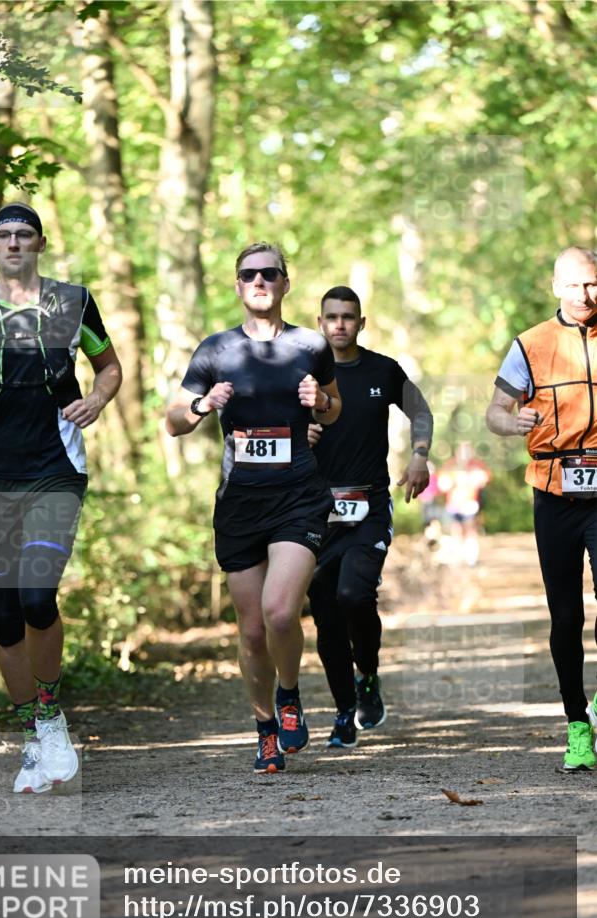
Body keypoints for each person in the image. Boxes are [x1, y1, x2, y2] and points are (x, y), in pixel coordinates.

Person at [0, 203, 122, 793]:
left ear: (40, 243)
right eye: (3, 235)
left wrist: (96, 401)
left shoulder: (72, 302)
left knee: (38, 596)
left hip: (54, 467)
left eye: (24, 234)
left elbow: (110, 366)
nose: (13, 243)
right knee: (1, 614)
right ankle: (32, 737)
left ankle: (51, 711)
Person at [166, 242, 341, 774]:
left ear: (286, 283)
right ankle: (264, 724)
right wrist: (201, 404)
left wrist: (322, 403)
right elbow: (173, 419)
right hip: (240, 502)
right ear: (238, 286)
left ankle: (289, 694)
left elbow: (334, 411)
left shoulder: (310, 346)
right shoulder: (216, 350)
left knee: (282, 610)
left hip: (298, 496)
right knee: (252, 630)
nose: (260, 280)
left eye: (270, 273)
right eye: (249, 274)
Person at [486, 246, 597, 772]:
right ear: (556, 286)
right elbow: (495, 412)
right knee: (566, 616)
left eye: (594, 284)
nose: (586, 295)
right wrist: (513, 423)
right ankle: (578, 725)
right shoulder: (530, 345)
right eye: (575, 285)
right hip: (553, 491)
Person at [308, 286, 433, 748]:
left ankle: (368, 674)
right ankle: (344, 711)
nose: (340, 324)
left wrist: (420, 455)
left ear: (362, 323)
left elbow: (420, 410)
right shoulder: (303, 373)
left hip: (368, 507)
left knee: (354, 595)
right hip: (314, 512)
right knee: (324, 612)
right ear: (320, 323)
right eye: (332, 317)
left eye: (348, 317)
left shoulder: (383, 369)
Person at [437, 442, 491, 566]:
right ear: (457, 453)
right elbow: (442, 484)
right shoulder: (450, 466)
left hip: (469, 504)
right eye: (462, 451)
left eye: (467, 451)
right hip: (454, 504)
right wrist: (453, 481)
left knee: (470, 529)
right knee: (456, 530)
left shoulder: (476, 465)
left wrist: (470, 478)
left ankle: (471, 558)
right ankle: (458, 557)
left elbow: (484, 479)